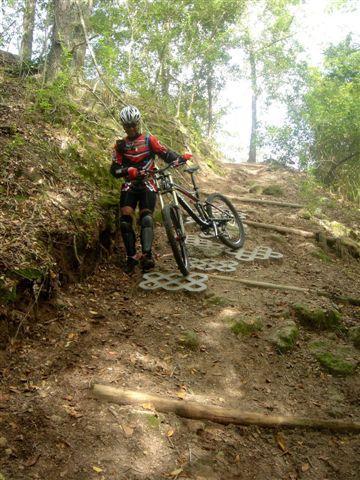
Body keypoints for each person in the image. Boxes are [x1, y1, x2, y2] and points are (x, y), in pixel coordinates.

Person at [110, 105, 191, 274]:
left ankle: (147, 256)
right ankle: (131, 257)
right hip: (129, 185)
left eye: (134, 125)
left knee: (146, 219)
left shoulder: (149, 140)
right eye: (127, 126)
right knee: (125, 221)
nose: (131, 129)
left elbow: (166, 153)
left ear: (138, 123)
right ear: (123, 126)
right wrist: (126, 170)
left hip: (148, 183)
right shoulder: (119, 146)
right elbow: (114, 170)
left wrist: (180, 158)